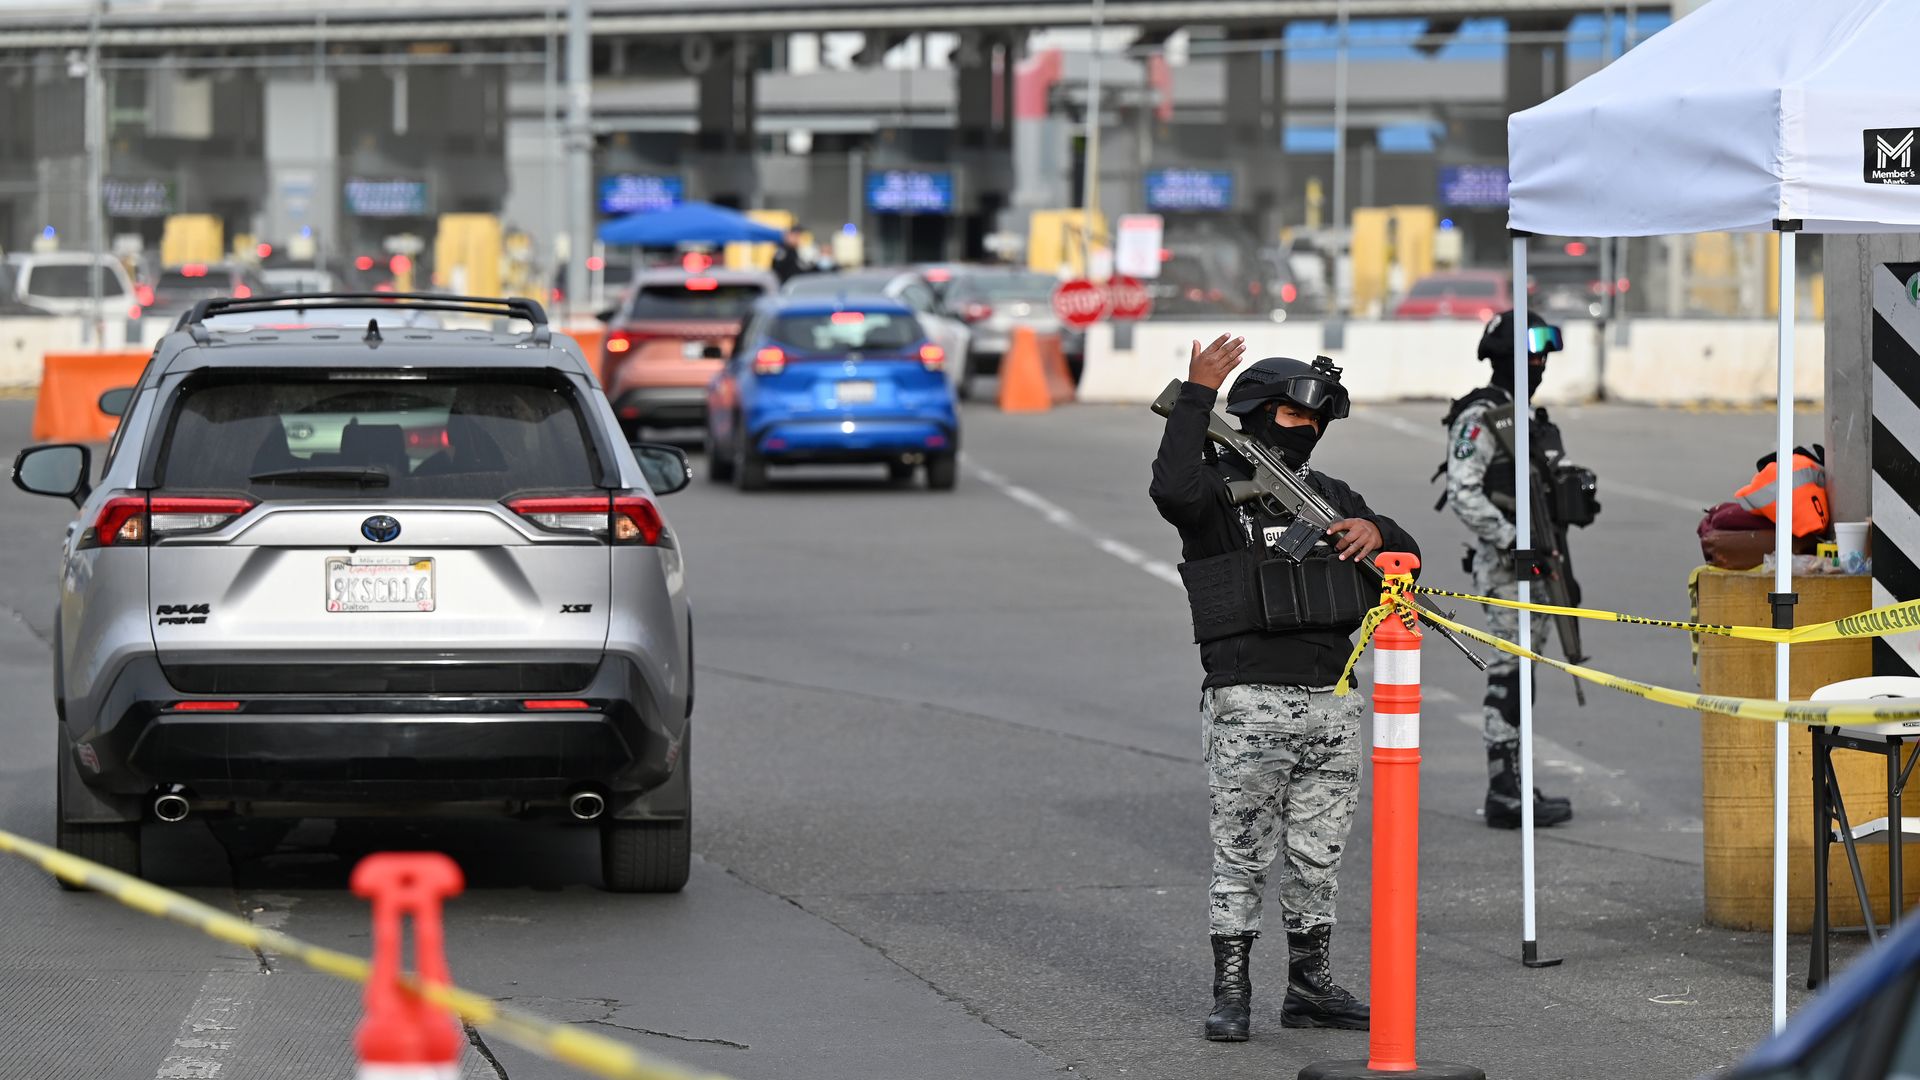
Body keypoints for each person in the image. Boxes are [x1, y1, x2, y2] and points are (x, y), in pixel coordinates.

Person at [1152, 336, 1418, 1042]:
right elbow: (1172, 489)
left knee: (1318, 857)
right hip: (1248, 702)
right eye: (1295, 418)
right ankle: (1232, 992)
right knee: (1242, 854)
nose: (1309, 431)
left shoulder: (1330, 497)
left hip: (1333, 699)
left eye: (1318, 423)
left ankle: (1309, 986)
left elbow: (1406, 560)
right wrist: (1197, 392)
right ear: (1256, 412)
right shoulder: (1213, 493)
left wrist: (1378, 530)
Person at [1439, 310, 1578, 830]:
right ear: (1507, 356)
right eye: (1533, 352)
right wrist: (1515, 541)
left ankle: (1516, 778)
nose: (1540, 363)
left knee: (1523, 676)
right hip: (1506, 569)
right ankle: (1503, 788)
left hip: (1539, 565)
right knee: (1507, 676)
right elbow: (1463, 492)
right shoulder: (1483, 416)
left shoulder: (1522, 415)